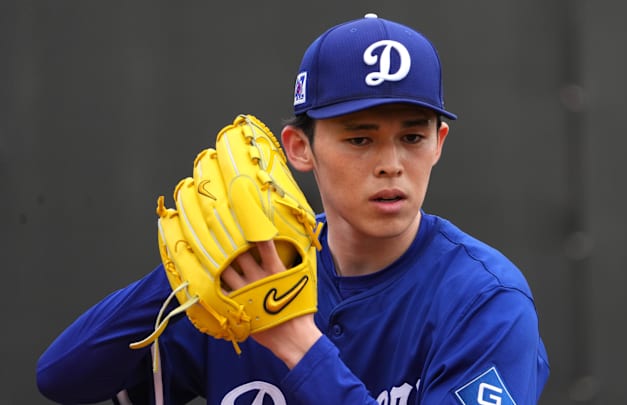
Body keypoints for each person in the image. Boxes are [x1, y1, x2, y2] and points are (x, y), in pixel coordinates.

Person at [37, 13, 549, 404]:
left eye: (411, 136)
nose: (391, 164)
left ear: (438, 143)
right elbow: (62, 378)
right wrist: (187, 270)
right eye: (359, 139)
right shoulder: (246, 274)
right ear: (300, 148)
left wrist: (296, 342)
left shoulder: (485, 301)